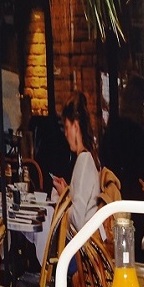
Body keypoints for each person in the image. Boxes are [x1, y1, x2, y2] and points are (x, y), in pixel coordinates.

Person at [52, 93, 102, 234]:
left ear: (75, 126)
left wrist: (63, 198)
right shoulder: (89, 158)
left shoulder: (83, 161)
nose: (65, 134)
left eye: (67, 127)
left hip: (79, 244)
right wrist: (67, 191)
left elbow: (77, 220)